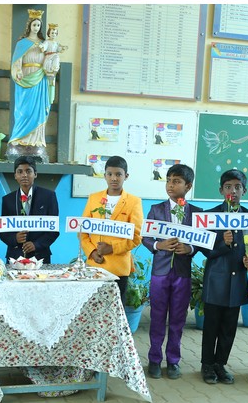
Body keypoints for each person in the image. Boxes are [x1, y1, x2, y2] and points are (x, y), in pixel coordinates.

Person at [142, 164, 200, 380]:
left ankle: (173, 361)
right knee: (157, 317)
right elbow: (146, 238)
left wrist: (190, 248)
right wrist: (159, 245)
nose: (170, 185)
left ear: (188, 186)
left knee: (177, 319)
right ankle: (154, 359)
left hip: (182, 273)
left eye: (176, 181)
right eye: (168, 180)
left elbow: (202, 240)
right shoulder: (156, 209)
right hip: (160, 272)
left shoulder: (197, 213)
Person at [199, 169, 248, 385]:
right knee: (211, 326)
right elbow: (205, 250)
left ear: (244, 191)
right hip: (216, 281)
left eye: (238, 187)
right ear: (221, 190)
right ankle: (206, 365)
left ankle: (220, 364)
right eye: (228, 186)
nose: (233, 191)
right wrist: (223, 243)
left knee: (229, 328)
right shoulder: (210, 216)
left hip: (238, 280)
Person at [80, 155, 143, 304]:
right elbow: (83, 230)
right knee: (92, 306)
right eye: (110, 174)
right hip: (95, 264)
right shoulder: (94, 198)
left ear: (126, 176)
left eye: (118, 174)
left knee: (116, 307)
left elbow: (136, 236)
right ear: (105, 176)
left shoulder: (134, 202)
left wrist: (112, 248)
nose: (114, 178)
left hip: (119, 267)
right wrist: (92, 252)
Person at [0, 156, 60, 263]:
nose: (24, 175)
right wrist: (15, 239)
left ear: (35, 174)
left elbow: (54, 230)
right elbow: (2, 231)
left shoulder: (48, 196)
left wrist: (37, 244)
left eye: (28, 171)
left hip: (40, 256)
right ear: (15, 175)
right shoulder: (8, 200)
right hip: (15, 256)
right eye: (20, 172)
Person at [9, 9, 50, 151]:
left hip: (40, 77)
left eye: (38, 25)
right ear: (29, 26)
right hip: (25, 77)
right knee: (24, 110)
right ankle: (19, 138)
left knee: (39, 110)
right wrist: (18, 70)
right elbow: (16, 60)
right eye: (34, 25)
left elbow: (50, 59)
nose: (36, 28)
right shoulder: (22, 43)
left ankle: (37, 141)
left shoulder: (44, 43)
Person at [41, 23, 67, 102]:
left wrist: (63, 48)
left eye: (55, 33)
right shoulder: (47, 42)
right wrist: (42, 47)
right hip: (49, 57)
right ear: (49, 33)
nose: (54, 35)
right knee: (47, 80)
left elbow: (59, 49)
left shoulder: (56, 43)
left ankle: (54, 71)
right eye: (52, 33)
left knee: (57, 57)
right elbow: (44, 46)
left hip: (54, 58)